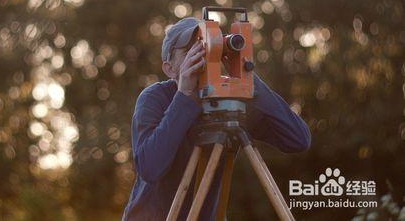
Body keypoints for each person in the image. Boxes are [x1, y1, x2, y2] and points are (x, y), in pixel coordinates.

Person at [122, 17, 311, 220]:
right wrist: (185, 96)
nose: (201, 58)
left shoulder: (228, 99)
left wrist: (248, 81)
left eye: (205, 49)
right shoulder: (155, 98)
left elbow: (298, 139)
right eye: (190, 53)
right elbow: (150, 168)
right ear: (169, 68)